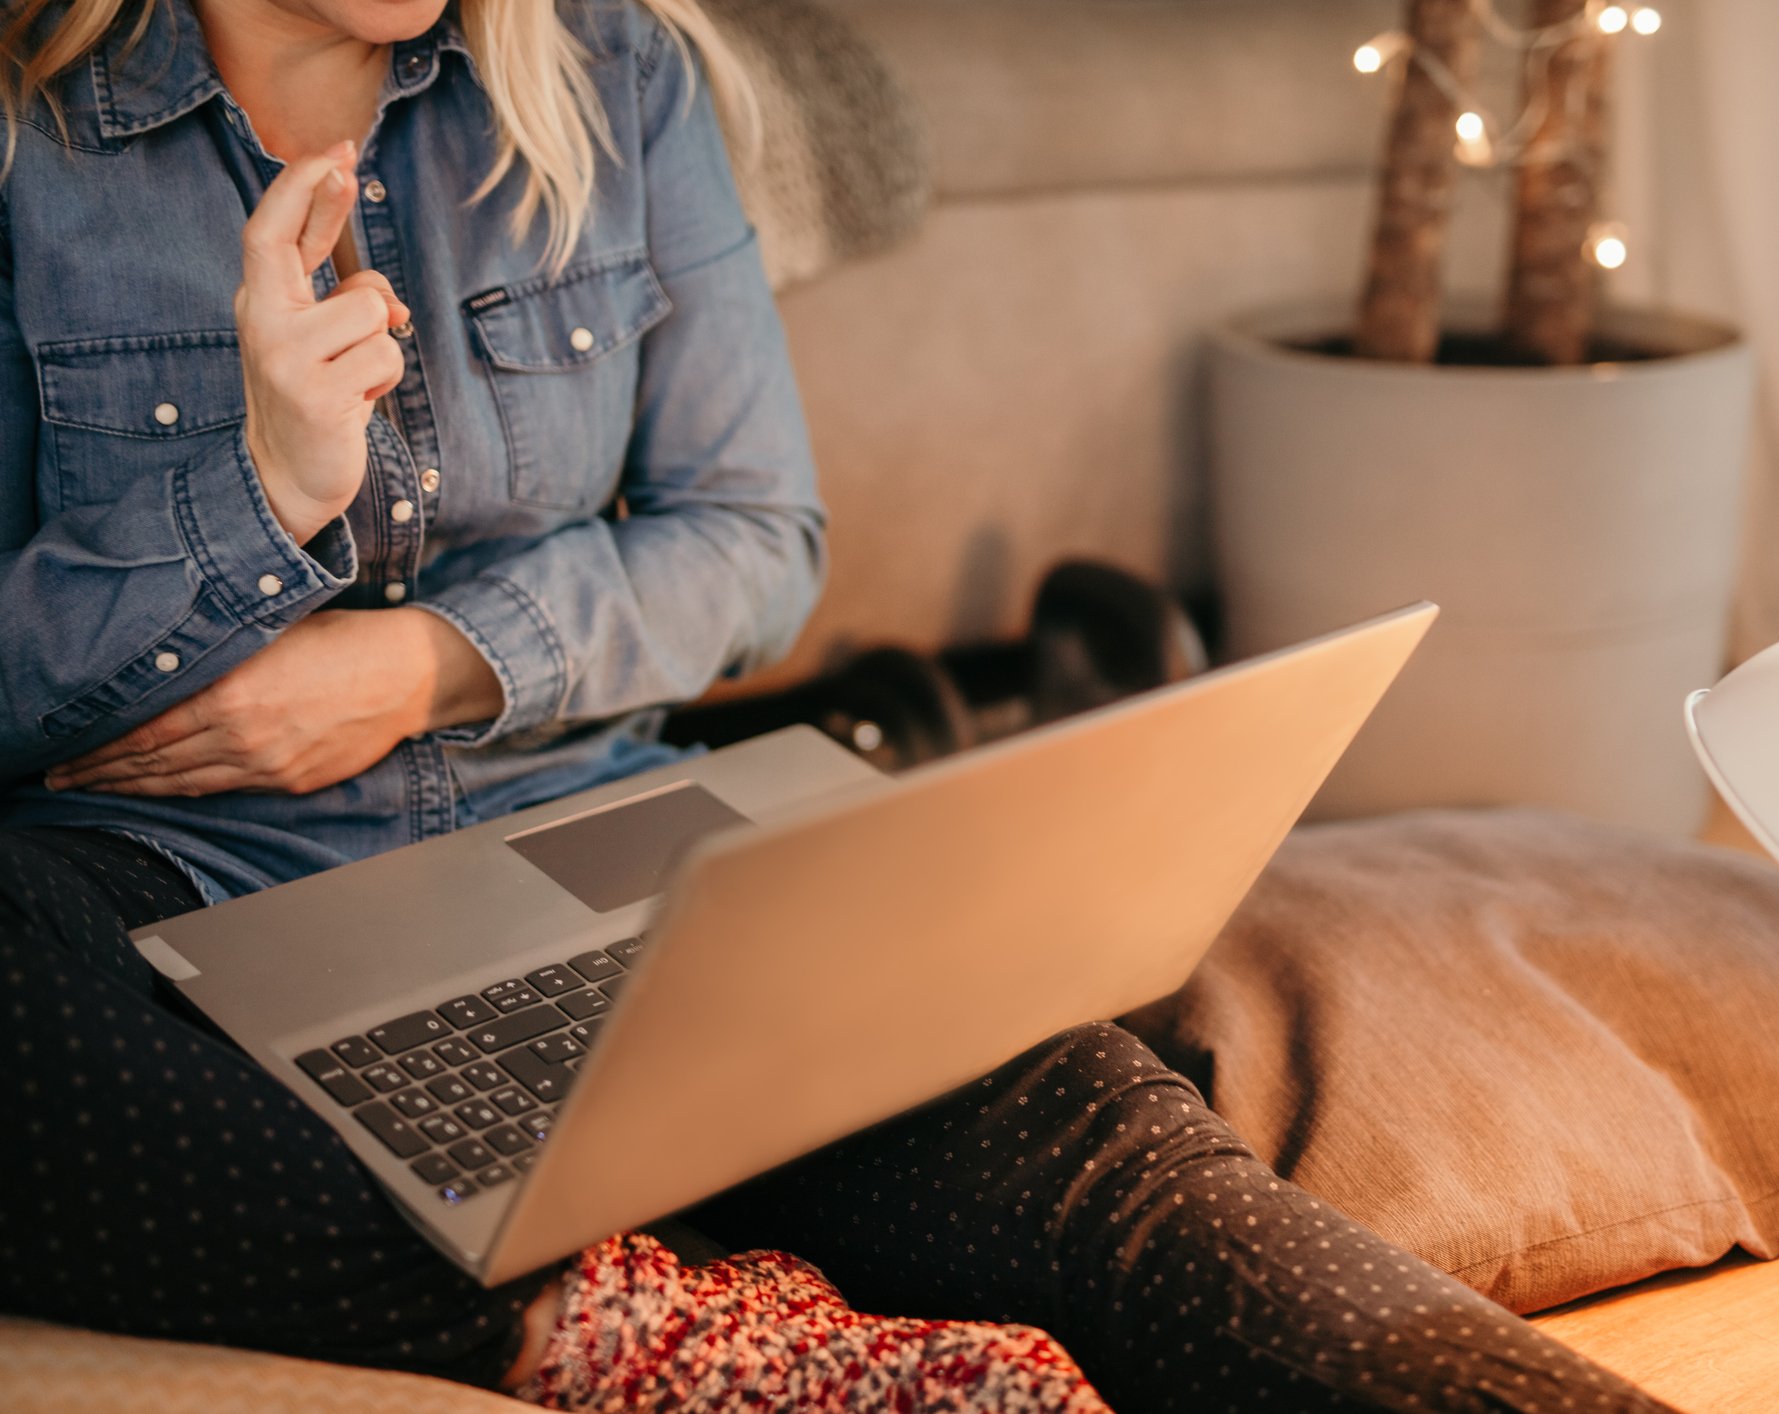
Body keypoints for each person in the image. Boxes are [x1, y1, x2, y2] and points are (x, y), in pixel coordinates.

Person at [0, 1, 1674, 1410]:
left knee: (1121, 1166)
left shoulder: (610, 70)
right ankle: (625, 1332)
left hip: (586, 833)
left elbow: (752, 541)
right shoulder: (33, 129)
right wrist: (260, 496)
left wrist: (429, 660)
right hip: (164, 887)